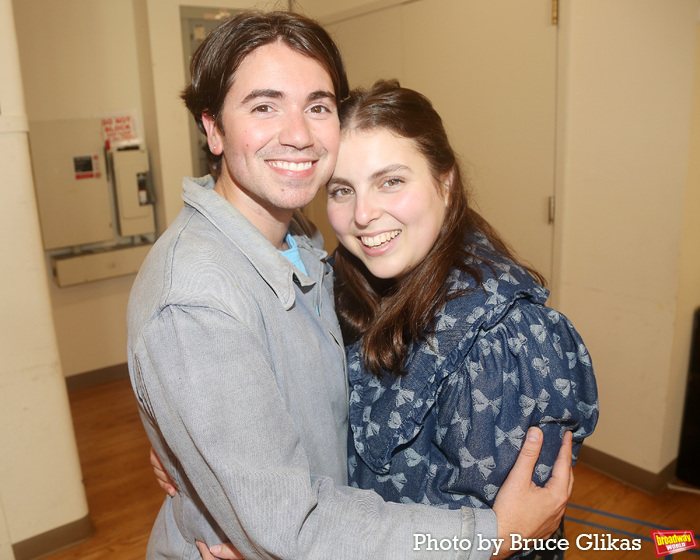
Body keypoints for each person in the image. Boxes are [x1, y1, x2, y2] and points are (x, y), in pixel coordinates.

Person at [129, 10, 574, 560]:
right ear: (214, 128)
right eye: (264, 105)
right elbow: (292, 527)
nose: (297, 134)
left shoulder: (308, 248)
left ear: (445, 179)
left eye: (316, 106)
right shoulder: (198, 299)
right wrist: (202, 457)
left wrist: (206, 453)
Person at [328, 80, 599, 558]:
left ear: (445, 183)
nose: (363, 214)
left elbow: (515, 537)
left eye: (391, 180)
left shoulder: (501, 341)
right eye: (341, 189)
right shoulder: (345, 280)